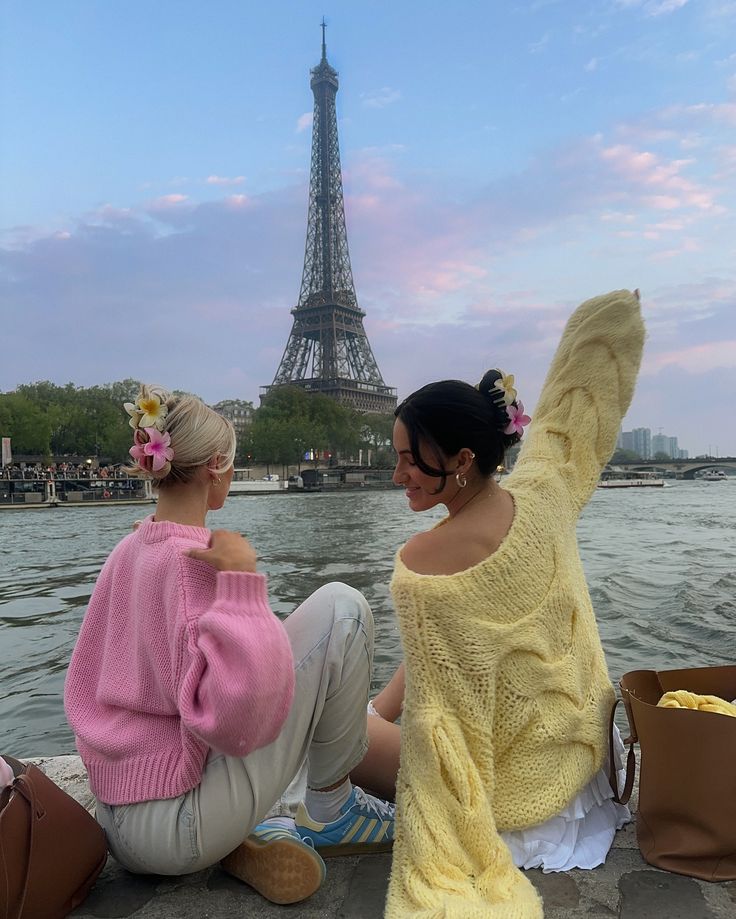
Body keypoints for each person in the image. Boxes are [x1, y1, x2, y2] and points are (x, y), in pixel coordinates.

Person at [64, 384, 395, 907]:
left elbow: (84, 684)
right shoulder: (199, 563)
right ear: (217, 466)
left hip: (116, 821)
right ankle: (332, 807)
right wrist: (242, 580)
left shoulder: (128, 552)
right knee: (343, 606)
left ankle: (253, 832)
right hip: (180, 825)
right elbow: (244, 723)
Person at [377, 290, 645, 918]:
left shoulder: (423, 562)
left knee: (327, 732)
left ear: (463, 460)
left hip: (510, 800)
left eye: (408, 460)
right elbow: (574, 409)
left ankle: (340, 816)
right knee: (366, 714)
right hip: (587, 771)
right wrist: (611, 314)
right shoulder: (546, 490)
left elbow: (439, 721)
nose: (398, 475)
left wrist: (363, 724)